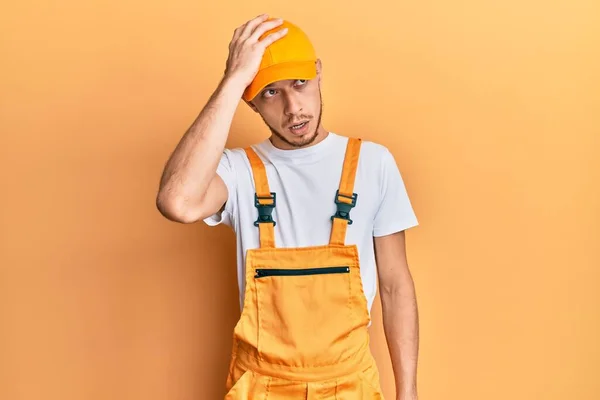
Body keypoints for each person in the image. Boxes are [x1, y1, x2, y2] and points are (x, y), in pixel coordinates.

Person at [156, 14, 419, 400]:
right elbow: (176, 202)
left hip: (351, 385)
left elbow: (396, 286)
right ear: (252, 104)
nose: (294, 108)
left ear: (318, 74)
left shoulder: (373, 163)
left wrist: (408, 392)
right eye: (270, 93)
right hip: (260, 387)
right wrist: (232, 81)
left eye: (300, 84)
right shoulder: (237, 171)